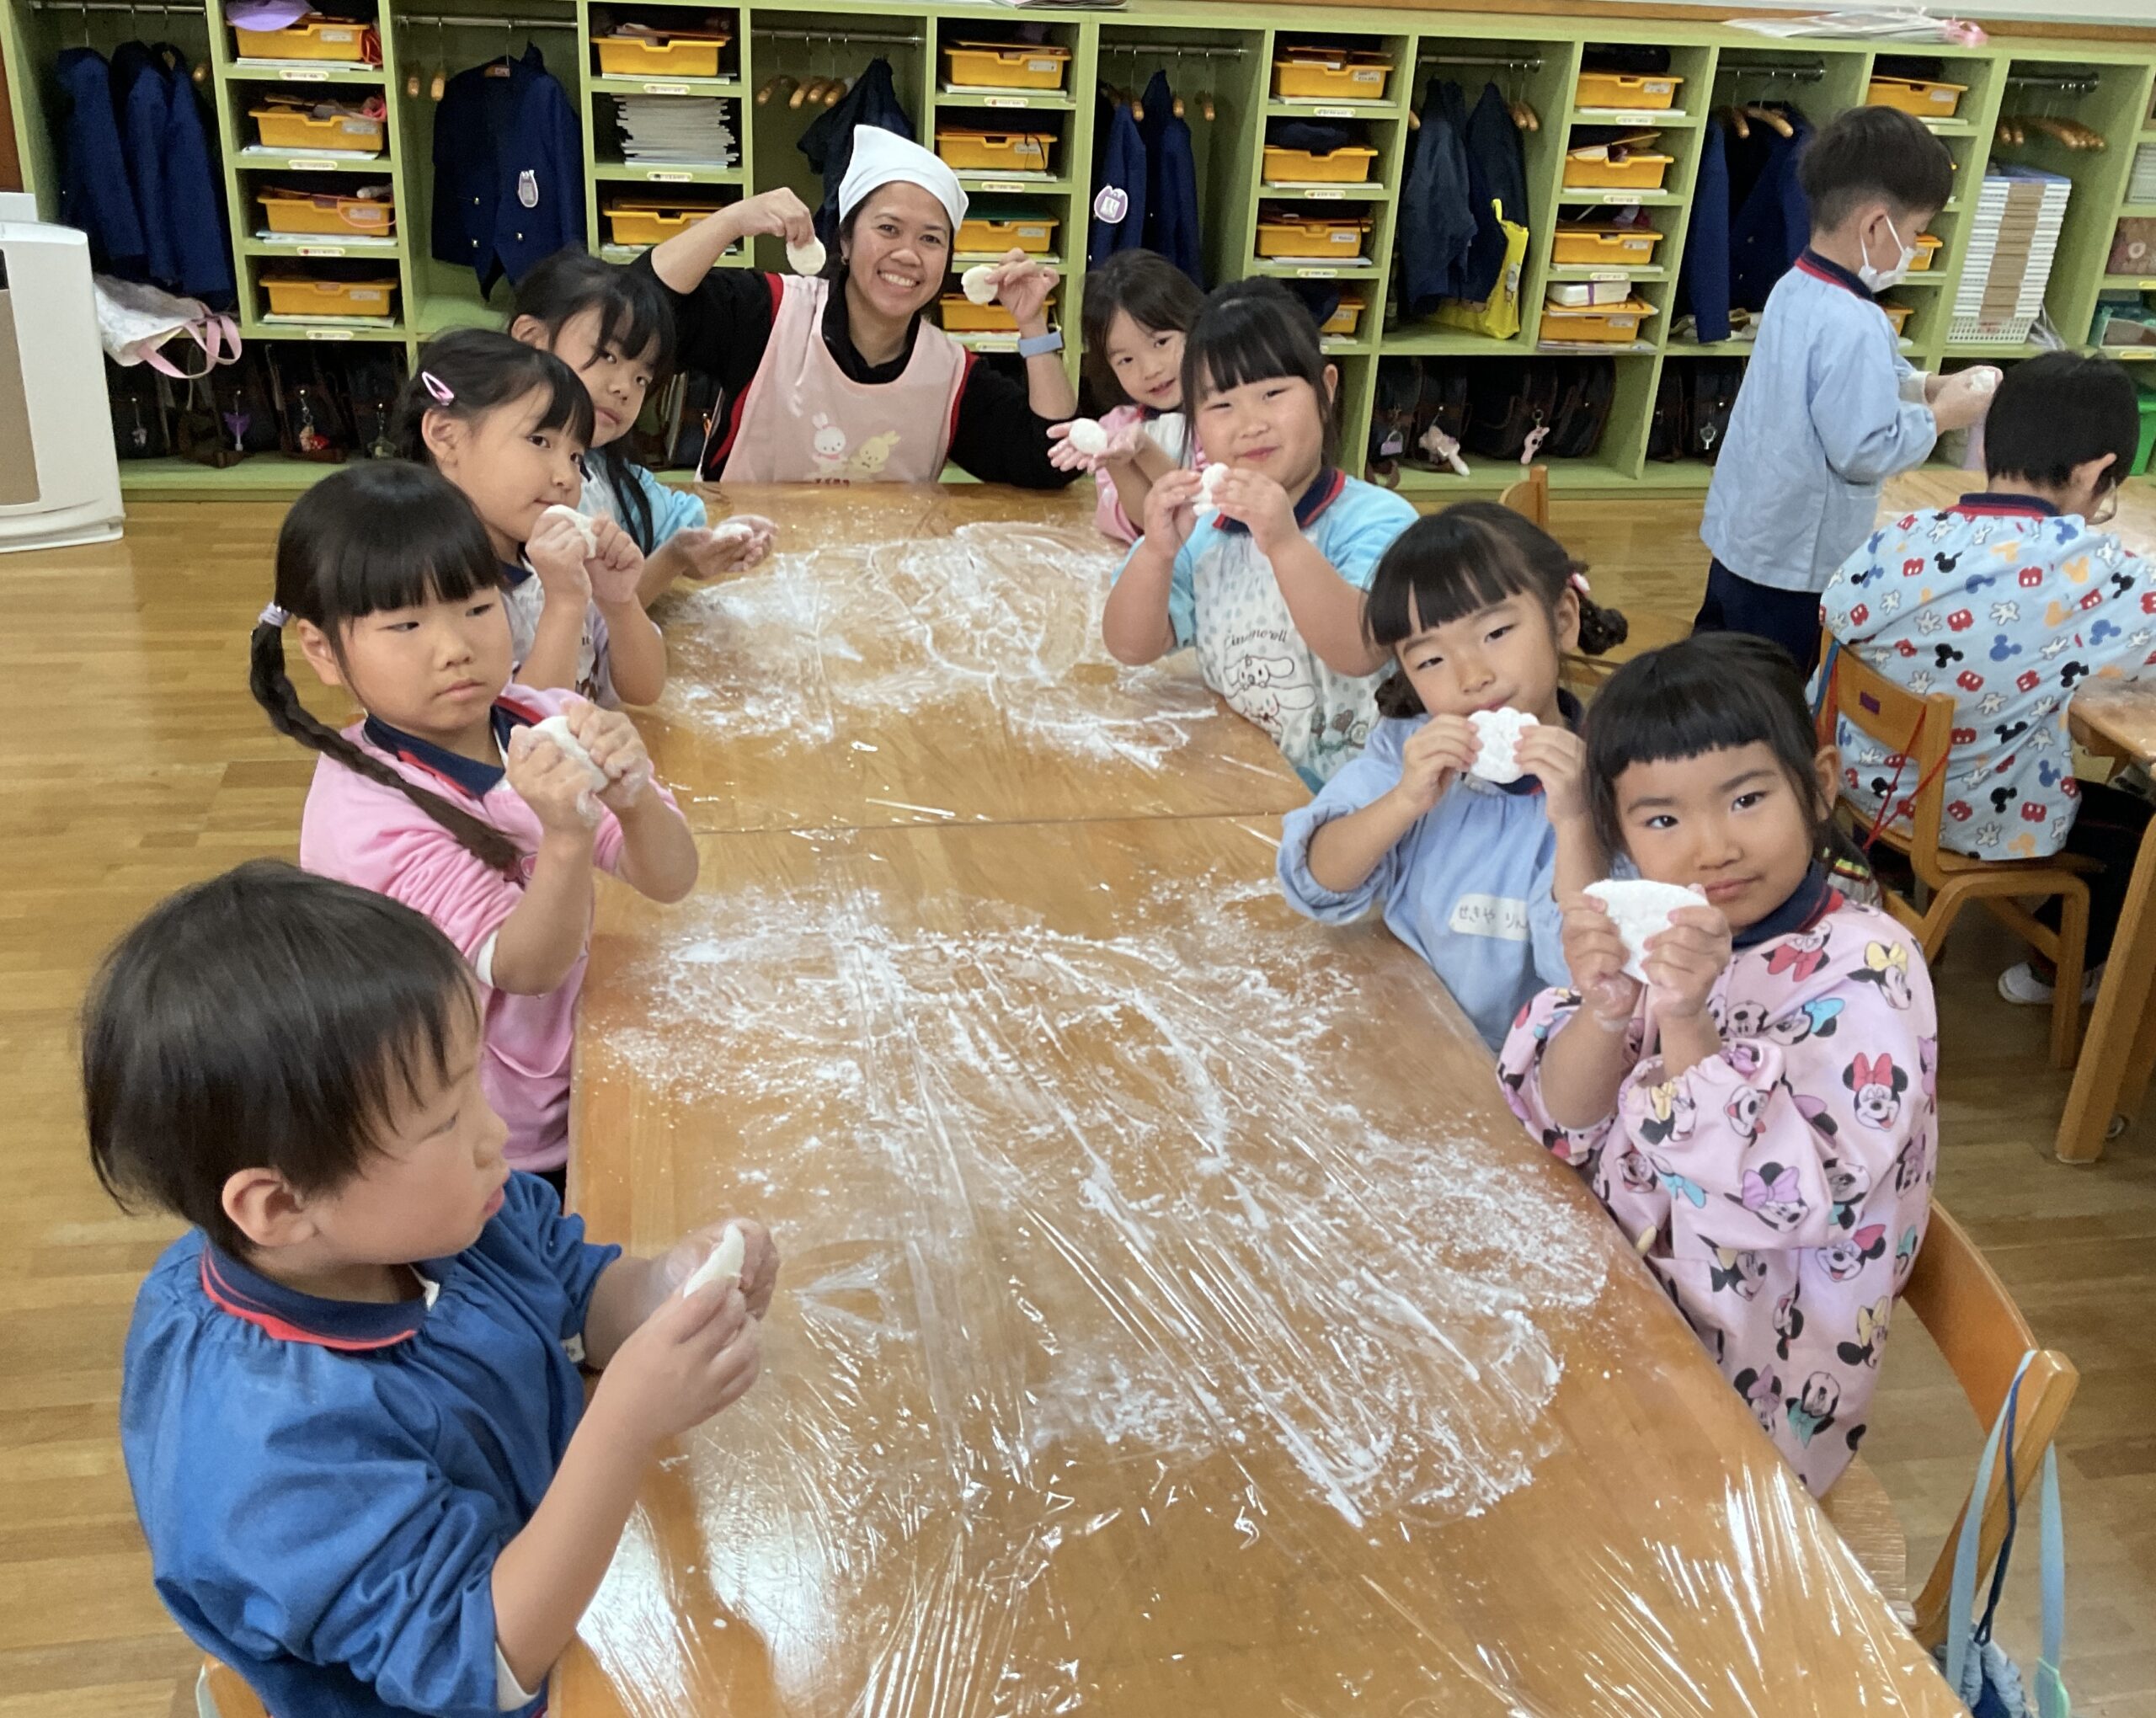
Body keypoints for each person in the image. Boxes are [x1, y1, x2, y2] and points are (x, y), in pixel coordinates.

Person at [95, 861, 775, 1718]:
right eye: (445, 1120)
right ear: (281, 1207)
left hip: (552, 1551)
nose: (497, 1134)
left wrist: (669, 1287)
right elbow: (486, 1663)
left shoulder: (443, 1220)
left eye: (474, 1082)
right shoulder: (274, 1453)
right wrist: (625, 1419)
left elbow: (575, 1294)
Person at [1498, 635, 1935, 1497]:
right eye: (1662, 819)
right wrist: (1607, 1007)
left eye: (1745, 799)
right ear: (1620, 832)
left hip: (1753, 1392)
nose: (1712, 848)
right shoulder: (1666, 933)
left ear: (1819, 785)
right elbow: (1561, 1124)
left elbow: (1774, 1202)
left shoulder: (1867, 971)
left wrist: (1687, 1019)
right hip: (1628, 1311)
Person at [249, 462, 700, 1182]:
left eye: (477, 607)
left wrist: (634, 793)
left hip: (578, 1073)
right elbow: (525, 967)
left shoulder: (538, 715)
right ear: (324, 651)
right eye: (406, 624)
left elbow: (671, 879)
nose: (454, 646)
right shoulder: (363, 816)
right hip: (489, 1143)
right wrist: (566, 836)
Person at [1817, 349, 2156, 1006]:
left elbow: (1836, 610)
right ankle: (2054, 968)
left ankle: (1887, 864)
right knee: (2143, 835)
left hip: (1860, 782)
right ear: (2096, 473)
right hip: (1964, 813)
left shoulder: (1903, 533)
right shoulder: (2093, 573)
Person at [1276, 504, 1627, 1048]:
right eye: (1430, 661)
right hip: (1403, 1038)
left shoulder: (1613, 780)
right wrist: (1402, 801)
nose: (1471, 676)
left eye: (1496, 632)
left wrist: (1577, 820)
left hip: (1528, 1068)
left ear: (1562, 619)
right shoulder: (1407, 751)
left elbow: (1585, 968)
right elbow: (1317, 880)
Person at [1698, 105, 1997, 675]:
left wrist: (1928, 385)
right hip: (1796, 563)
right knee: (1771, 690)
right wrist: (1941, 418)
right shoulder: (1856, 320)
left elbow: (1853, 381)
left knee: (1717, 668)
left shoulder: (1795, 285)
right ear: (1875, 226)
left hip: (1744, 537)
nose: (1914, 248)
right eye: (1915, 233)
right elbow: (1863, 451)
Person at [1101, 280, 1417, 787]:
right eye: (1221, 406)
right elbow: (1130, 646)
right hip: (1255, 784)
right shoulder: (1204, 533)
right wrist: (1156, 554)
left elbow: (1360, 650)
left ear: (1325, 390)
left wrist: (1285, 542)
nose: (1250, 424)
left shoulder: (1376, 521)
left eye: (1272, 393)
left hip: (1371, 796)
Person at [634, 127, 1080, 487]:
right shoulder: (768, 313)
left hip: (878, 569)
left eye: (930, 238)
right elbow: (637, 311)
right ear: (844, 241)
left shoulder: (949, 374)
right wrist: (730, 221)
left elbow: (1051, 461)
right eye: (888, 229)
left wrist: (1033, 326)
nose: (908, 254)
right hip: (746, 560)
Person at [394, 328, 666, 707]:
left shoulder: (552, 564)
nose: (567, 476)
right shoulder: (432, 593)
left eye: (576, 457)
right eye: (540, 441)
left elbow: (645, 690)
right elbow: (514, 730)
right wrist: (564, 604)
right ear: (445, 436)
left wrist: (619, 603)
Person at [509, 248, 777, 606]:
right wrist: (673, 559)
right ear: (531, 339)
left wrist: (712, 543)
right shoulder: (496, 481)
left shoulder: (604, 470)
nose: (624, 388)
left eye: (641, 378)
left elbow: (672, 523)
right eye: (607, 355)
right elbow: (587, 620)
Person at [1049, 247, 1208, 542]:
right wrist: (1116, 461)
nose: (1150, 369)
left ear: (1197, 326)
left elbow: (1203, 515)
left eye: (1161, 342)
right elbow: (1147, 524)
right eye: (1126, 360)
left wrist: (1144, 450)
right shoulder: (1115, 427)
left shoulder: (1225, 415)